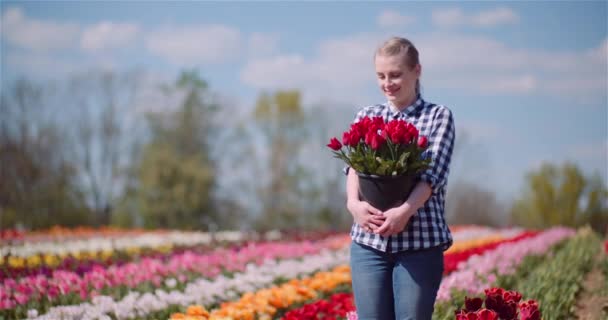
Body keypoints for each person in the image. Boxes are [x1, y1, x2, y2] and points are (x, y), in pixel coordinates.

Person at [344, 36, 455, 319]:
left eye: (395, 74)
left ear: (416, 71)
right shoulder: (367, 115)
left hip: (418, 244)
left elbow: (432, 177)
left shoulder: (437, 117)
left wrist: (404, 212)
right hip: (369, 244)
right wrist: (353, 205)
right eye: (381, 76)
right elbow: (354, 167)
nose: (387, 83)